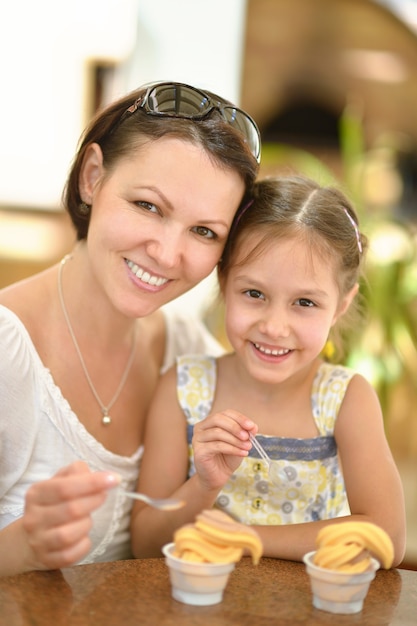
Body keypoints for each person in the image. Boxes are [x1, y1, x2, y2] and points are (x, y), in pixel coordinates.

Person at [0, 81, 260, 576]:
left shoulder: (189, 356)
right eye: (148, 206)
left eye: (204, 232)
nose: (166, 253)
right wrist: (21, 547)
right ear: (93, 177)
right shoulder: (7, 348)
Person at [131, 174, 406, 567]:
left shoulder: (345, 399)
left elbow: (387, 538)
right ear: (224, 283)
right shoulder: (183, 388)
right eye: (254, 294)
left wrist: (247, 539)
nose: (275, 326)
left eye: (305, 303)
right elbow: (144, 544)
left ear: (341, 306)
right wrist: (205, 484)